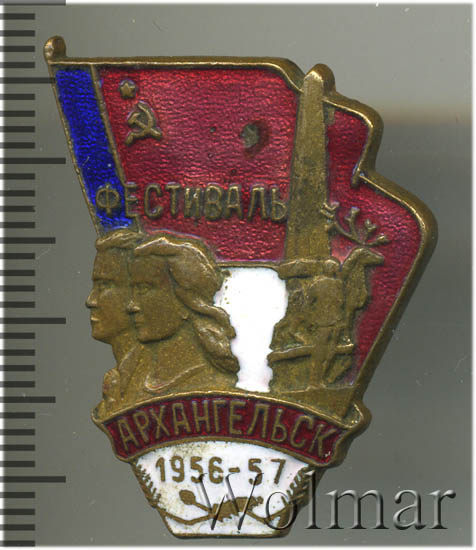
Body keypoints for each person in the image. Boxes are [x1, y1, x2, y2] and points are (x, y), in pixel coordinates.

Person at [127, 232, 239, 394]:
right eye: (133, 290)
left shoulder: (213, 383)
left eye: (144, 289)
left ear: (186, 300)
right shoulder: (128, 378)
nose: (132, 306)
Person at [86, 229, 146, 418]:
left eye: (104, 285)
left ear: (136, 292)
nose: (90, 301)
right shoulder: (118, 378)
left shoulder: (157, 377)